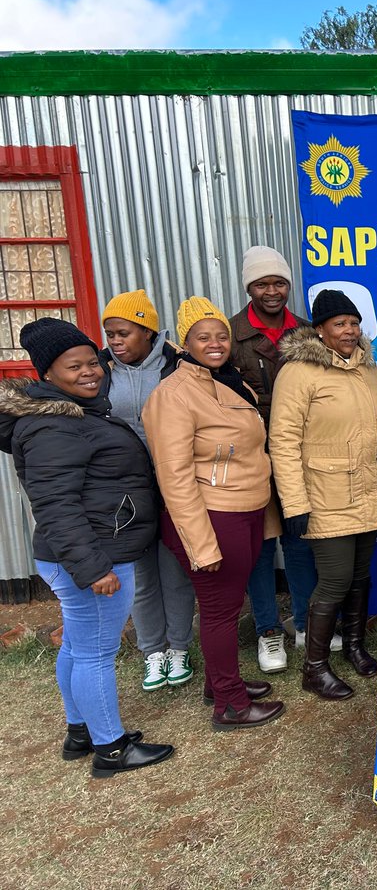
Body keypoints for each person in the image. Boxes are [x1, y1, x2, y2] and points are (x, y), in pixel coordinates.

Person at [0, 318, 173, 776]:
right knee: (96, 651)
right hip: (94, 554)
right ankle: (111, 748)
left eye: (92, 361)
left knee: (77, 646)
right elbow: (55, 504)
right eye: (73, 366)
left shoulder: (77, 413)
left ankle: (81, 732)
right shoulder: (54, 426)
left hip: (86, 549)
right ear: (48, 376)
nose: (89, 372)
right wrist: (94, 568)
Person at [143, 297, 285, 731]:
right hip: (212, 516)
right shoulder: (173, 393)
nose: (216, 343)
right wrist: (200, 542)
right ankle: (230, 705)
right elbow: (174, 475)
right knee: (221, 610)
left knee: (222, 606)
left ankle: (219, 683)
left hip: (242, 510)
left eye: (222, 335)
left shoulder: (228, 383)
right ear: (183, 343)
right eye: (203, 336)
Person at [270, 288, 377, 700]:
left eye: (353, 323)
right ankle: (315, 668)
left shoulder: (368, 369)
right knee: (333, 579)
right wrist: (295, 502)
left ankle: (353, 646)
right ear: (319, 330)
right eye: (339, 324)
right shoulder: (298, 372)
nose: (349, 331)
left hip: (369, 492)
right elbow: (283, 441)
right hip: (325, 495)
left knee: (360, 575)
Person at [99, 289, 196, 693]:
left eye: (123, 333)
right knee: (141, 576)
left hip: (170, 483)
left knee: (175, 570)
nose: (115, 342)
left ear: (147, 332)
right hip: (124, 490)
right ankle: (152, 651)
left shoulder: (177, 365)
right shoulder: (100, 369)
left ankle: (179, 648)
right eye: (110, 334)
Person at [228, 245, 317, 674]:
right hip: (252, 458)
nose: (272, 291)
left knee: (300, 540)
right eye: (262, 283)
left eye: (279, 282)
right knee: (261, 547)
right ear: (249, 287)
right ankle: (268, 630)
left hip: (300, 454)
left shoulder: (307, 331)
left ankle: (305, 623)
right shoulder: (230, 334)